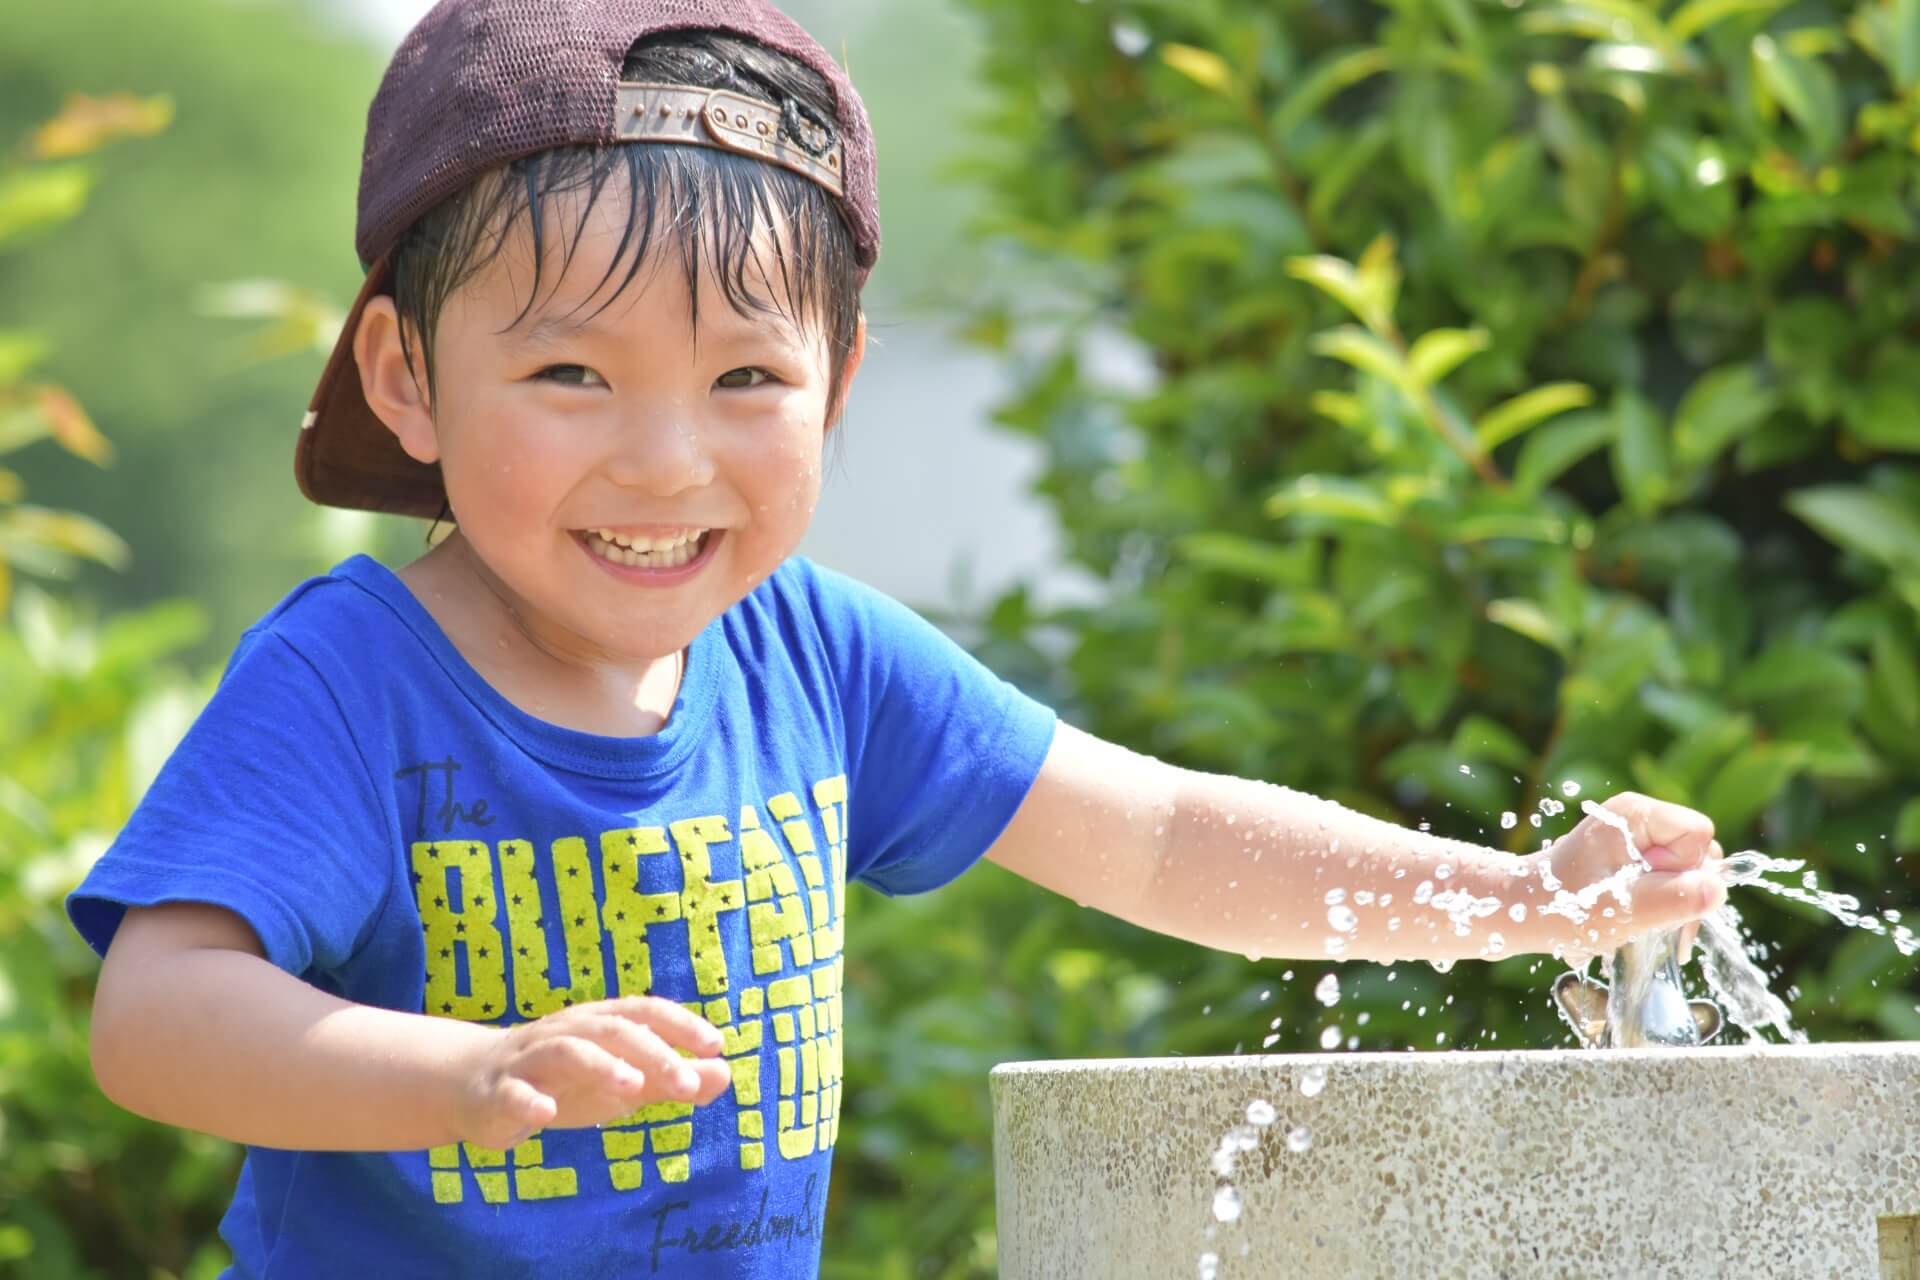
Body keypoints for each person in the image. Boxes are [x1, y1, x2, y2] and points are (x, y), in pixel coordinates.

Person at [63, 1, 1729, 1275]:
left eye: (746, 380)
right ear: (408, 377)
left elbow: (1153, 838)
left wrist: (1518, 899)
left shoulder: (821, 657)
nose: (664, 460)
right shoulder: (350, 679)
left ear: (839, 382)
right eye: (572, 375)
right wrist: (457, 1073)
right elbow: (157, 1016)